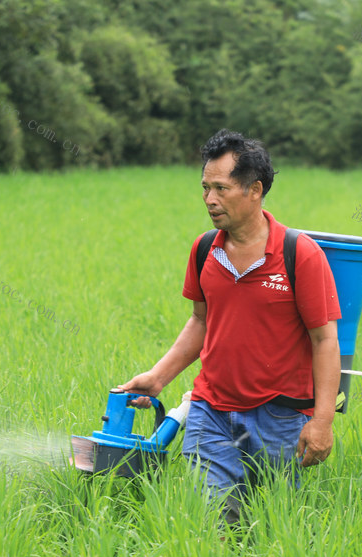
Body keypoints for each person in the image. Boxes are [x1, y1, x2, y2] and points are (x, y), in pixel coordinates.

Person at [118, 129, 341, 525]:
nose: (209, 199)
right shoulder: (205, 248)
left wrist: (322, 421)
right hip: (211, 410)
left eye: (220, 188)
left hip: (280, 417)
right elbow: (200, 321)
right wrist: (158, 377)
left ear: (254, 190)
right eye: (205, 188)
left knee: (271, 526)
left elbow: (324, 340)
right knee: (212, 521)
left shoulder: (299, 255)